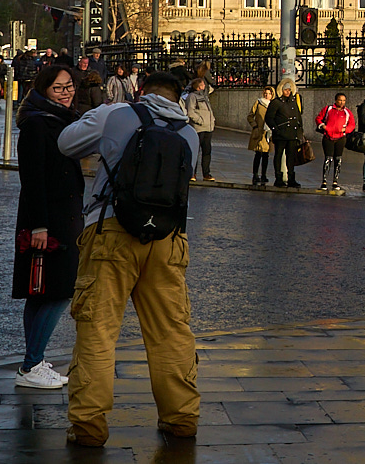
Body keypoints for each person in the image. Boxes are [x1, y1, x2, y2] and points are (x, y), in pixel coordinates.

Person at [57, 70, 201, 447]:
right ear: (178, 96)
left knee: (99, 329)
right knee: (170, 331)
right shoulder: (189, 134)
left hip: (111, 232)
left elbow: (66, 144)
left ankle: (89, 426)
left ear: (141, 91)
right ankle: (181, 418)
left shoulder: (118, 114)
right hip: (168, 238)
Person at [12, 64, 85, 389]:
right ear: (43, 90)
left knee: (40, 293)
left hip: (60, 216)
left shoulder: (59, 120)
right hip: (49, 220)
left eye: (69, 86)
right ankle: (31, 366)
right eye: (59, 88)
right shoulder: (37, 125)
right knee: (58, 291)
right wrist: (40, 225)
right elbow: (33, 179)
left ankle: (35, 359)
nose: (67, 92)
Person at [265, 79, 305, 188]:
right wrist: (276, 129)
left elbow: (298, 117)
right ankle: (278, 178)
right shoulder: (276, 102)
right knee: (278, 155)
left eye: (289, 90)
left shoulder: (293, 102)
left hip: (292, 134)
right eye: (285, 90)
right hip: (281, 134)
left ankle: (291, 178)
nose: (287, 92)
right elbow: (269, 118)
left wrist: (300, 132)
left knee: (291, 157)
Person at [315, 92, 356, 192]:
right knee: (328, 159)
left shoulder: (347, 112)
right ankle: (324, 182)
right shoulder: (328, 109)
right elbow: (318, 118)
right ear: (336, 100)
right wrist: (323, 126)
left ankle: (335, 182)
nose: (342, 102)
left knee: (338, 159)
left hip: (340, 138)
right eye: (340, 100)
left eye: (344, 100)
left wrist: (345, 130)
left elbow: (352, 124)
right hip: (328, 137)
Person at [180, 77, 217, 182]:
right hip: (198, 127)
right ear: (198, 86)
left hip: (208, 127)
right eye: (203, 85)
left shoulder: (204, 97)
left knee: (207, 151)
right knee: (195, 151)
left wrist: (212, 121)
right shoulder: (192, 96)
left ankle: (206, 173)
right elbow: (190, 111)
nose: (205, 86)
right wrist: (200, 121)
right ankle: (192, 173)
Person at [246, 86, 274, 186]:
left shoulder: (273, 105)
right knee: (258, 154)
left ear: (272, 95)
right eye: (265, 93)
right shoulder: (258, 103)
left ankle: (264, 175)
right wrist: (255, 126)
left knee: (266, 155)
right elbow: (250, 116)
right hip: (259, 132)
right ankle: (255, 174)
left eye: (269, 94)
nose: (267, 95)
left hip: (268, 133)